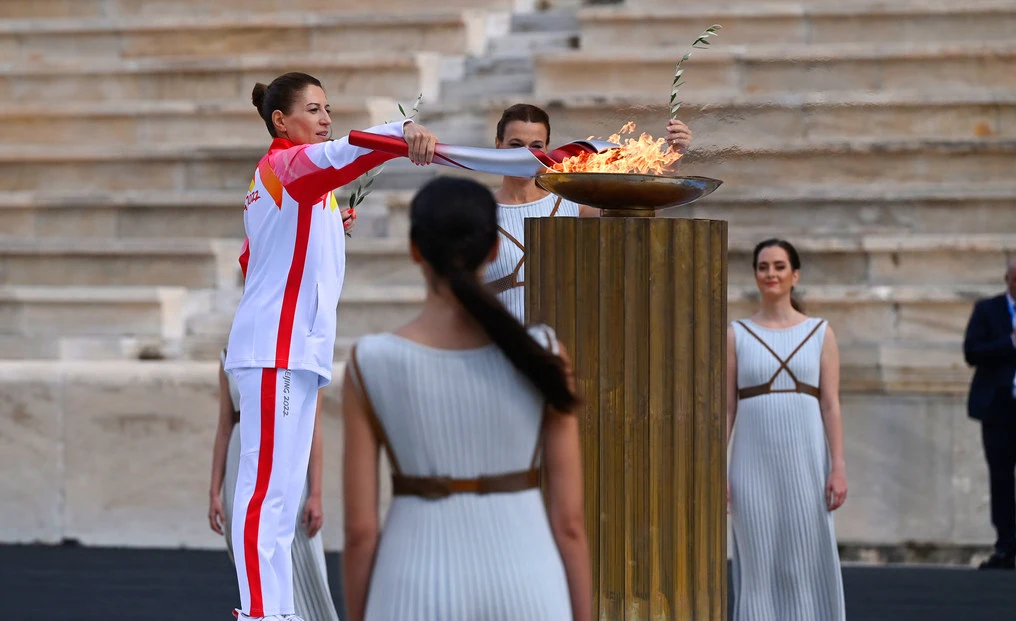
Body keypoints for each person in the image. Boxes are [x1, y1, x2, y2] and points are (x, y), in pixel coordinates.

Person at [222, 71, 439, 621]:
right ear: (280, 120)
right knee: (263, 497)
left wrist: (321, 231)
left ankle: (276, 610)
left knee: (280, 500)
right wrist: (400, 132)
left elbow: (254, 261)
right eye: (314, 110)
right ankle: (260, 614)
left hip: (293, 350)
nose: (325, 119)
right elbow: (342, 156)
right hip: (276, 351)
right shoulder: (282, 166)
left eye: (327, 109)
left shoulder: (294, 185)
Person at [340, 177, 591, 621]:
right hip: (528, 583)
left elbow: (360, 531)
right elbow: (570, 524)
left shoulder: (370, 362)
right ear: (495, 249)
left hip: (411, 585)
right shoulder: (545, 353)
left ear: (415, 249)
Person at [726, 238, 848, 620]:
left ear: (794, 275)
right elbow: (725, 407)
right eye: (763, 266)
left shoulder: (820, 333)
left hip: (806, 460)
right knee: (757, 563)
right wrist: (718, 468)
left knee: (802, 561)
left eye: (779, 266)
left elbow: (830, 402)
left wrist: (839, 466)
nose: (771, 274)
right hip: (751, 462)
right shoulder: (736, 334)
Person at [483, 103, 693, 322]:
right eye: (515, 145)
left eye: (536, 146)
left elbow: (641, 214)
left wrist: (673, 159)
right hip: (496, 341)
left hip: (559, 342)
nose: (526, 155)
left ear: (547, 149)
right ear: (498, 145)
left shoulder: (570, 203)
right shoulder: (480, 211)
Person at [208, 350, 339, 621]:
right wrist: (214, 491)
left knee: (296, 543)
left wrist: (316, 493)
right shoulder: (229, 355)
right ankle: (266, 611)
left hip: (287, 446)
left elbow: (313, 427)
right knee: (249, 543)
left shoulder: (306, 353)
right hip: (242, 452)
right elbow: (224, 425)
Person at [964, 254, 1016, 570]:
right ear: (1007, 281)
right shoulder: (988, 310)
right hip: (999, 408)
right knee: (1001, 480)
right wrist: (1013, 341)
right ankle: (1005, 549)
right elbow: (972, 353)